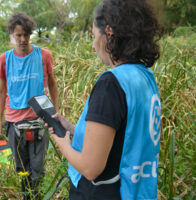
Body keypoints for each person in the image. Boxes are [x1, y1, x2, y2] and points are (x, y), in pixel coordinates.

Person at [47, 0, 162, 199]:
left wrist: (62, 143)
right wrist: (74, 130)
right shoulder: (144, 77)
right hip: (137, 190)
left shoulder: (111, 84)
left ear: (108, 32)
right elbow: (123, 135)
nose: (93, 45)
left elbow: (91, 168)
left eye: (94, 36)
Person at [0, 12, 59, 200]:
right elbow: (1, 91)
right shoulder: (4, 60)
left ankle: (36, 196)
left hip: (39, 119)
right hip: (14, 122)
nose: (22, 40)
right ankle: (26, 196)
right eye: (18, 35)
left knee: (38, 169)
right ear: (12, 34)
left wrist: (55, 113)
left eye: (26, 35)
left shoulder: (44, 55)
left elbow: (53, 84)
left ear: (31, 34)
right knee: (21, 168)